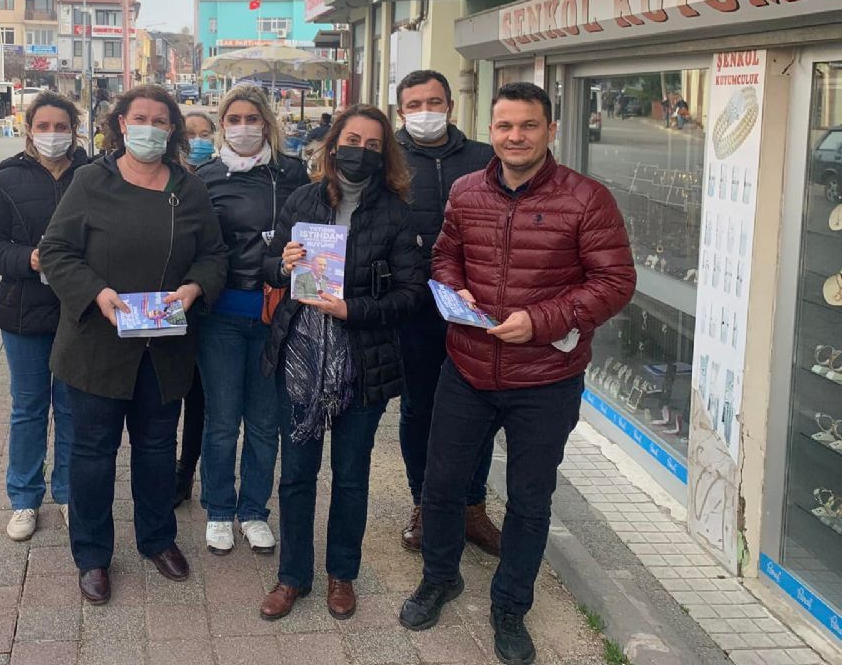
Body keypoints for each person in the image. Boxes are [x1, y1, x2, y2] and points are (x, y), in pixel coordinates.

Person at [400, 82, 635, 665]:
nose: (515, 137)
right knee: (441, 486)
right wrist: (453, 289)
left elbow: (614, 282)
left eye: (528, 125)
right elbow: (445, 256)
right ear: (491, 130)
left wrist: (541, 321)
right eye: (505, 126)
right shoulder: (466, 190)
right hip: (468, 367)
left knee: (530, 500)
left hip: (546, 376)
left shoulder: (587, 199)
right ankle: (440, 578)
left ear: (550, 130)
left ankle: (510, 606)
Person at [39, 85, 227, 606]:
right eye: (139, 117)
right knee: (92, 454)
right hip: (97, 345)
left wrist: (194, 287)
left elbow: (214, 255)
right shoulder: (90, 181)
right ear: (122, 124)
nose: (149, 127)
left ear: (172, 130)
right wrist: (95, 293)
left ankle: (157, 539)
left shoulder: (188, 189)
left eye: (160, 120)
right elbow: (56, 250)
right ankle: (92, 556)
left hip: (163, 349)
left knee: (156, 449)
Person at [259, 105, 426, 622]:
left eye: (373, 145)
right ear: (333, 145)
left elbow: (412, 293)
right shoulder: (302, 199)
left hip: (362, 364)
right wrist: (282, 264)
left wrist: (354, 310)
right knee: (296, 475)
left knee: (351, 475)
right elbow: (268, 266)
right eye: (352, 140)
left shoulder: (397, 214)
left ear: (385, 154)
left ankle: (341, 574)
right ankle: (292, 576)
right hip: (301, 357)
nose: (361, 151)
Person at [195, 85, 308, 555]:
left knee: (264, 423)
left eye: (252, 118)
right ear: (222, 125)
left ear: (267, 122)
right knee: (222, 421)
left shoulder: (292, 173)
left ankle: (254, 510)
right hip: (220, 316)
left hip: (274, 315)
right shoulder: (204, 177)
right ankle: (220, 509)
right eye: (234, 119)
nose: (243, 127)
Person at [393, 69, 502, 557]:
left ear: (450, 106)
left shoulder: (483, 157)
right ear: (401, 112)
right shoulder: (387, 158)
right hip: (413, 308)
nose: (425, 112)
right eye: (415, 105)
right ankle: (425, 504)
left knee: (479, 408)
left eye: (434, 102)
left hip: (475, 307)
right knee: (419, 409)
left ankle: (472, 506)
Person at [0, 91, 88, 543]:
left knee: (72, 407)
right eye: (44, 127)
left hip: (79, 311)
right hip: (24, 310)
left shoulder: (93, 175)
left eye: (61, 127)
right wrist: (28, 259)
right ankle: (24, 497)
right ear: (29, 130)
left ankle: (68, 492)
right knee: (28, 407)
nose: (52, 135)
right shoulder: (7, 180)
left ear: (74, 131)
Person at [174, 110, 219, 508]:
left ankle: (186, 471)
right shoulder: (165, 179)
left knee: (199, 400)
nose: (199, 141)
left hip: (208, 304)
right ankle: (168, 467)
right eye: (191, 133)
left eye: (206, 133)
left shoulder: (220, 177)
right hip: (166, 306)